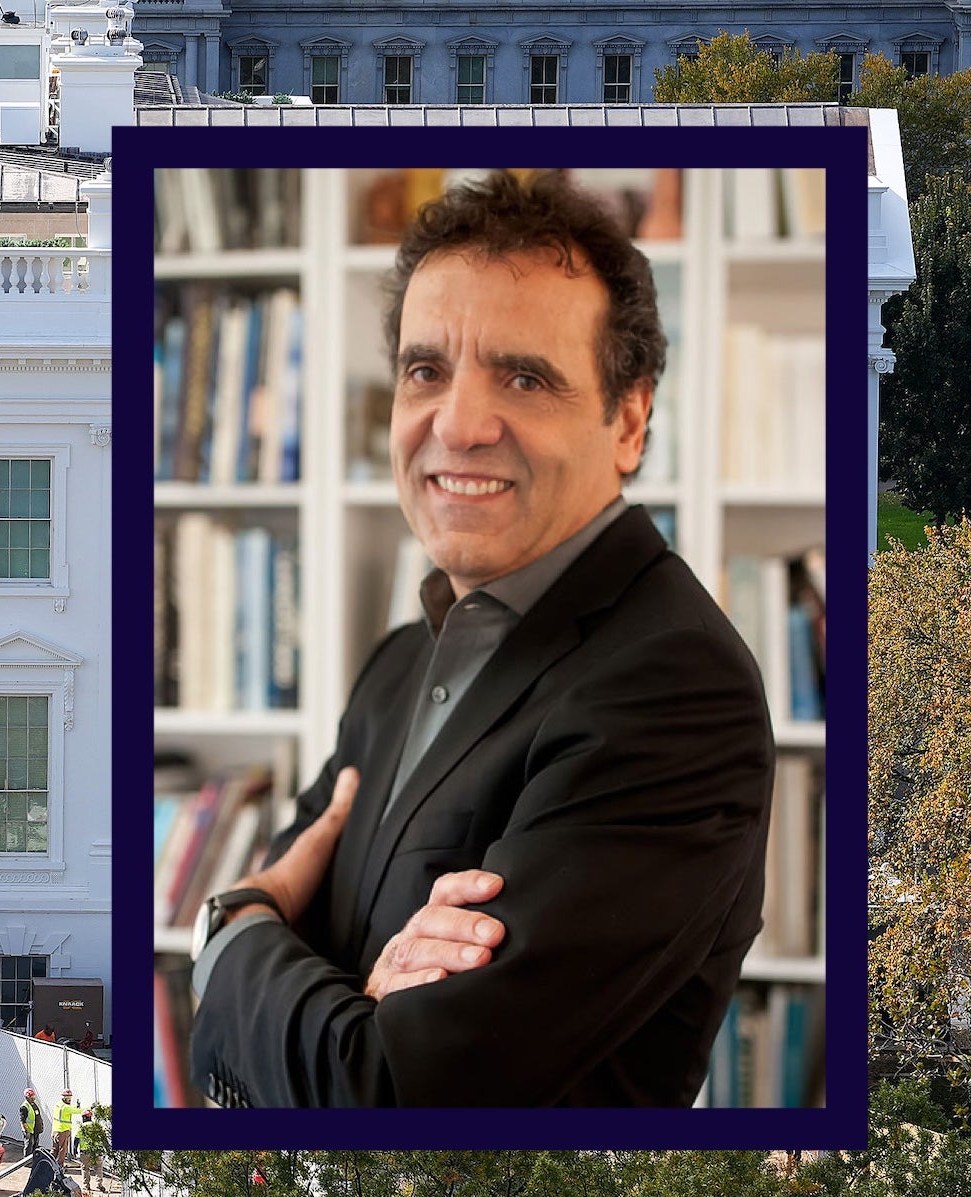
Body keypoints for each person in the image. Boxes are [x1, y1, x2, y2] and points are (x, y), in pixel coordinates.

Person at [185, 170, 774, 1107]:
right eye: (426, 370)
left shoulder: (673, 688)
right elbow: (346, 1035)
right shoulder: (395, 666)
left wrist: (232, 925)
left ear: (628, 418)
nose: (456, 424)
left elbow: (389, 1094)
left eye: (525, 375)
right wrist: (325, 987)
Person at [75, 1103, 110, 1192]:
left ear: (84, 1118)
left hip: (85, 1152)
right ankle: (99, 1184)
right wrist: (108, 1149)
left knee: (85, 1168)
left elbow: (76, 1140)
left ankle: (86, 1186)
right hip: (97, 1151)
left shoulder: (82, 1127)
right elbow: (104, 1138)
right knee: (99, 1167)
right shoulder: (97, 1126)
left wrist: (74, 1150)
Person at [19, 1087, 44, 1160]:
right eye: (31, 1097)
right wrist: (26, 1130)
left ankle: (34, 1159)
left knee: (35, 1145)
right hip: (29, 1130)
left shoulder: (33, 1104)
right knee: (29, 1145)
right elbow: (23, 1120)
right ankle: (27, 1161)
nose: (33, 1098)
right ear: (27, 1097)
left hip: (36, 1129)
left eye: (33, 1096)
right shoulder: (24, 1107)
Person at [51, 1089, 76, 1162]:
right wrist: (90, 1108)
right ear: (64, 1098)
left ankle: (49, 1164)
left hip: (55, 1131)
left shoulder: (58, 1105)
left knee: (54, 1149)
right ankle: (60, 1166)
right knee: (63, 1149)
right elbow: (78, 1111)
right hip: (63, 1131)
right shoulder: (66, 1107)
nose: (70, 1100)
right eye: (69, 1098)